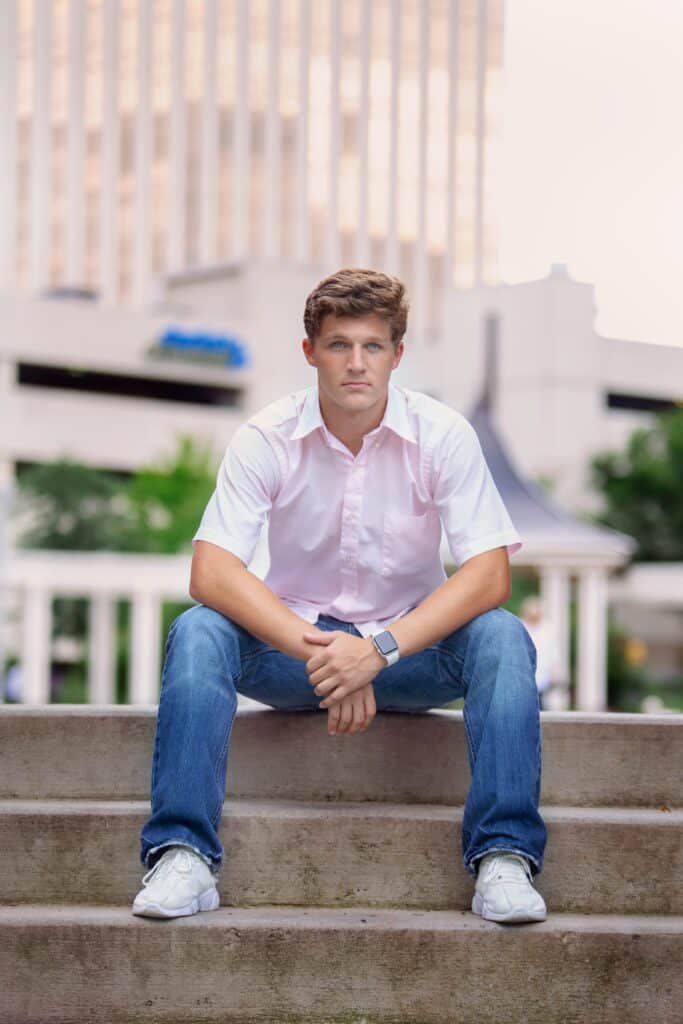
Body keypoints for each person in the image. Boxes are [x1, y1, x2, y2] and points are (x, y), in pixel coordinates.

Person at [134, 267, 548, 925]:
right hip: (296, 652)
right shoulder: (266, 437)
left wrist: (377, 652)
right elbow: (211, 572)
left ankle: (504, 857)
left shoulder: (441, 435)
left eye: (372, 346)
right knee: (199, 629)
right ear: (310, 352)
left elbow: (488, 574)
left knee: (501, 634)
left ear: (396, 355)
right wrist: (337, 656)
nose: (356, 363)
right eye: (338, 345)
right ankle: (182, 854)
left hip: (408, 654)